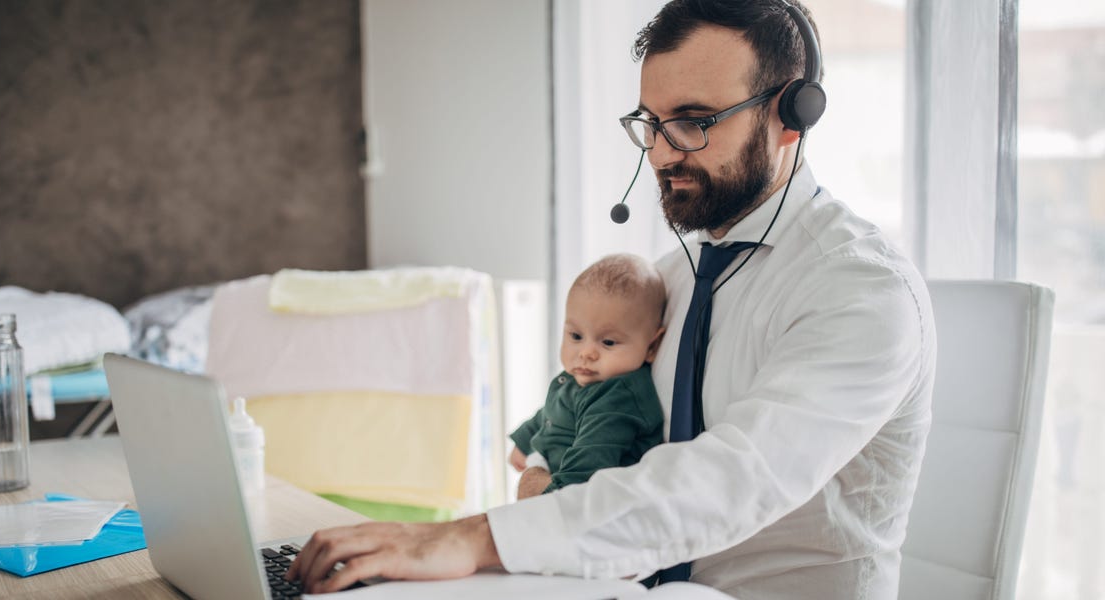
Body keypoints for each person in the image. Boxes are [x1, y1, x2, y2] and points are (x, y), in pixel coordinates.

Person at [286, 1, 936, 598]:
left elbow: (733, 479)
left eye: (691, 121)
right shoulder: (670, 282)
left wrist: (475, 537)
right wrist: (538, 484)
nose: (659, 153)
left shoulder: (861, 291)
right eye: (650, 123)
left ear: (793, 115)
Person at [508, 253, 666, 501]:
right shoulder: (582, 378)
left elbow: (582, 476)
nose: (586, 353)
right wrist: (524, 439)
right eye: (575, 336)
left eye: (608, 341)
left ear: (651, 346)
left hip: (574, 499)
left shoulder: (616, 400)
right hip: (549, 473)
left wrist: (541, 498)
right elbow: (552, 411)